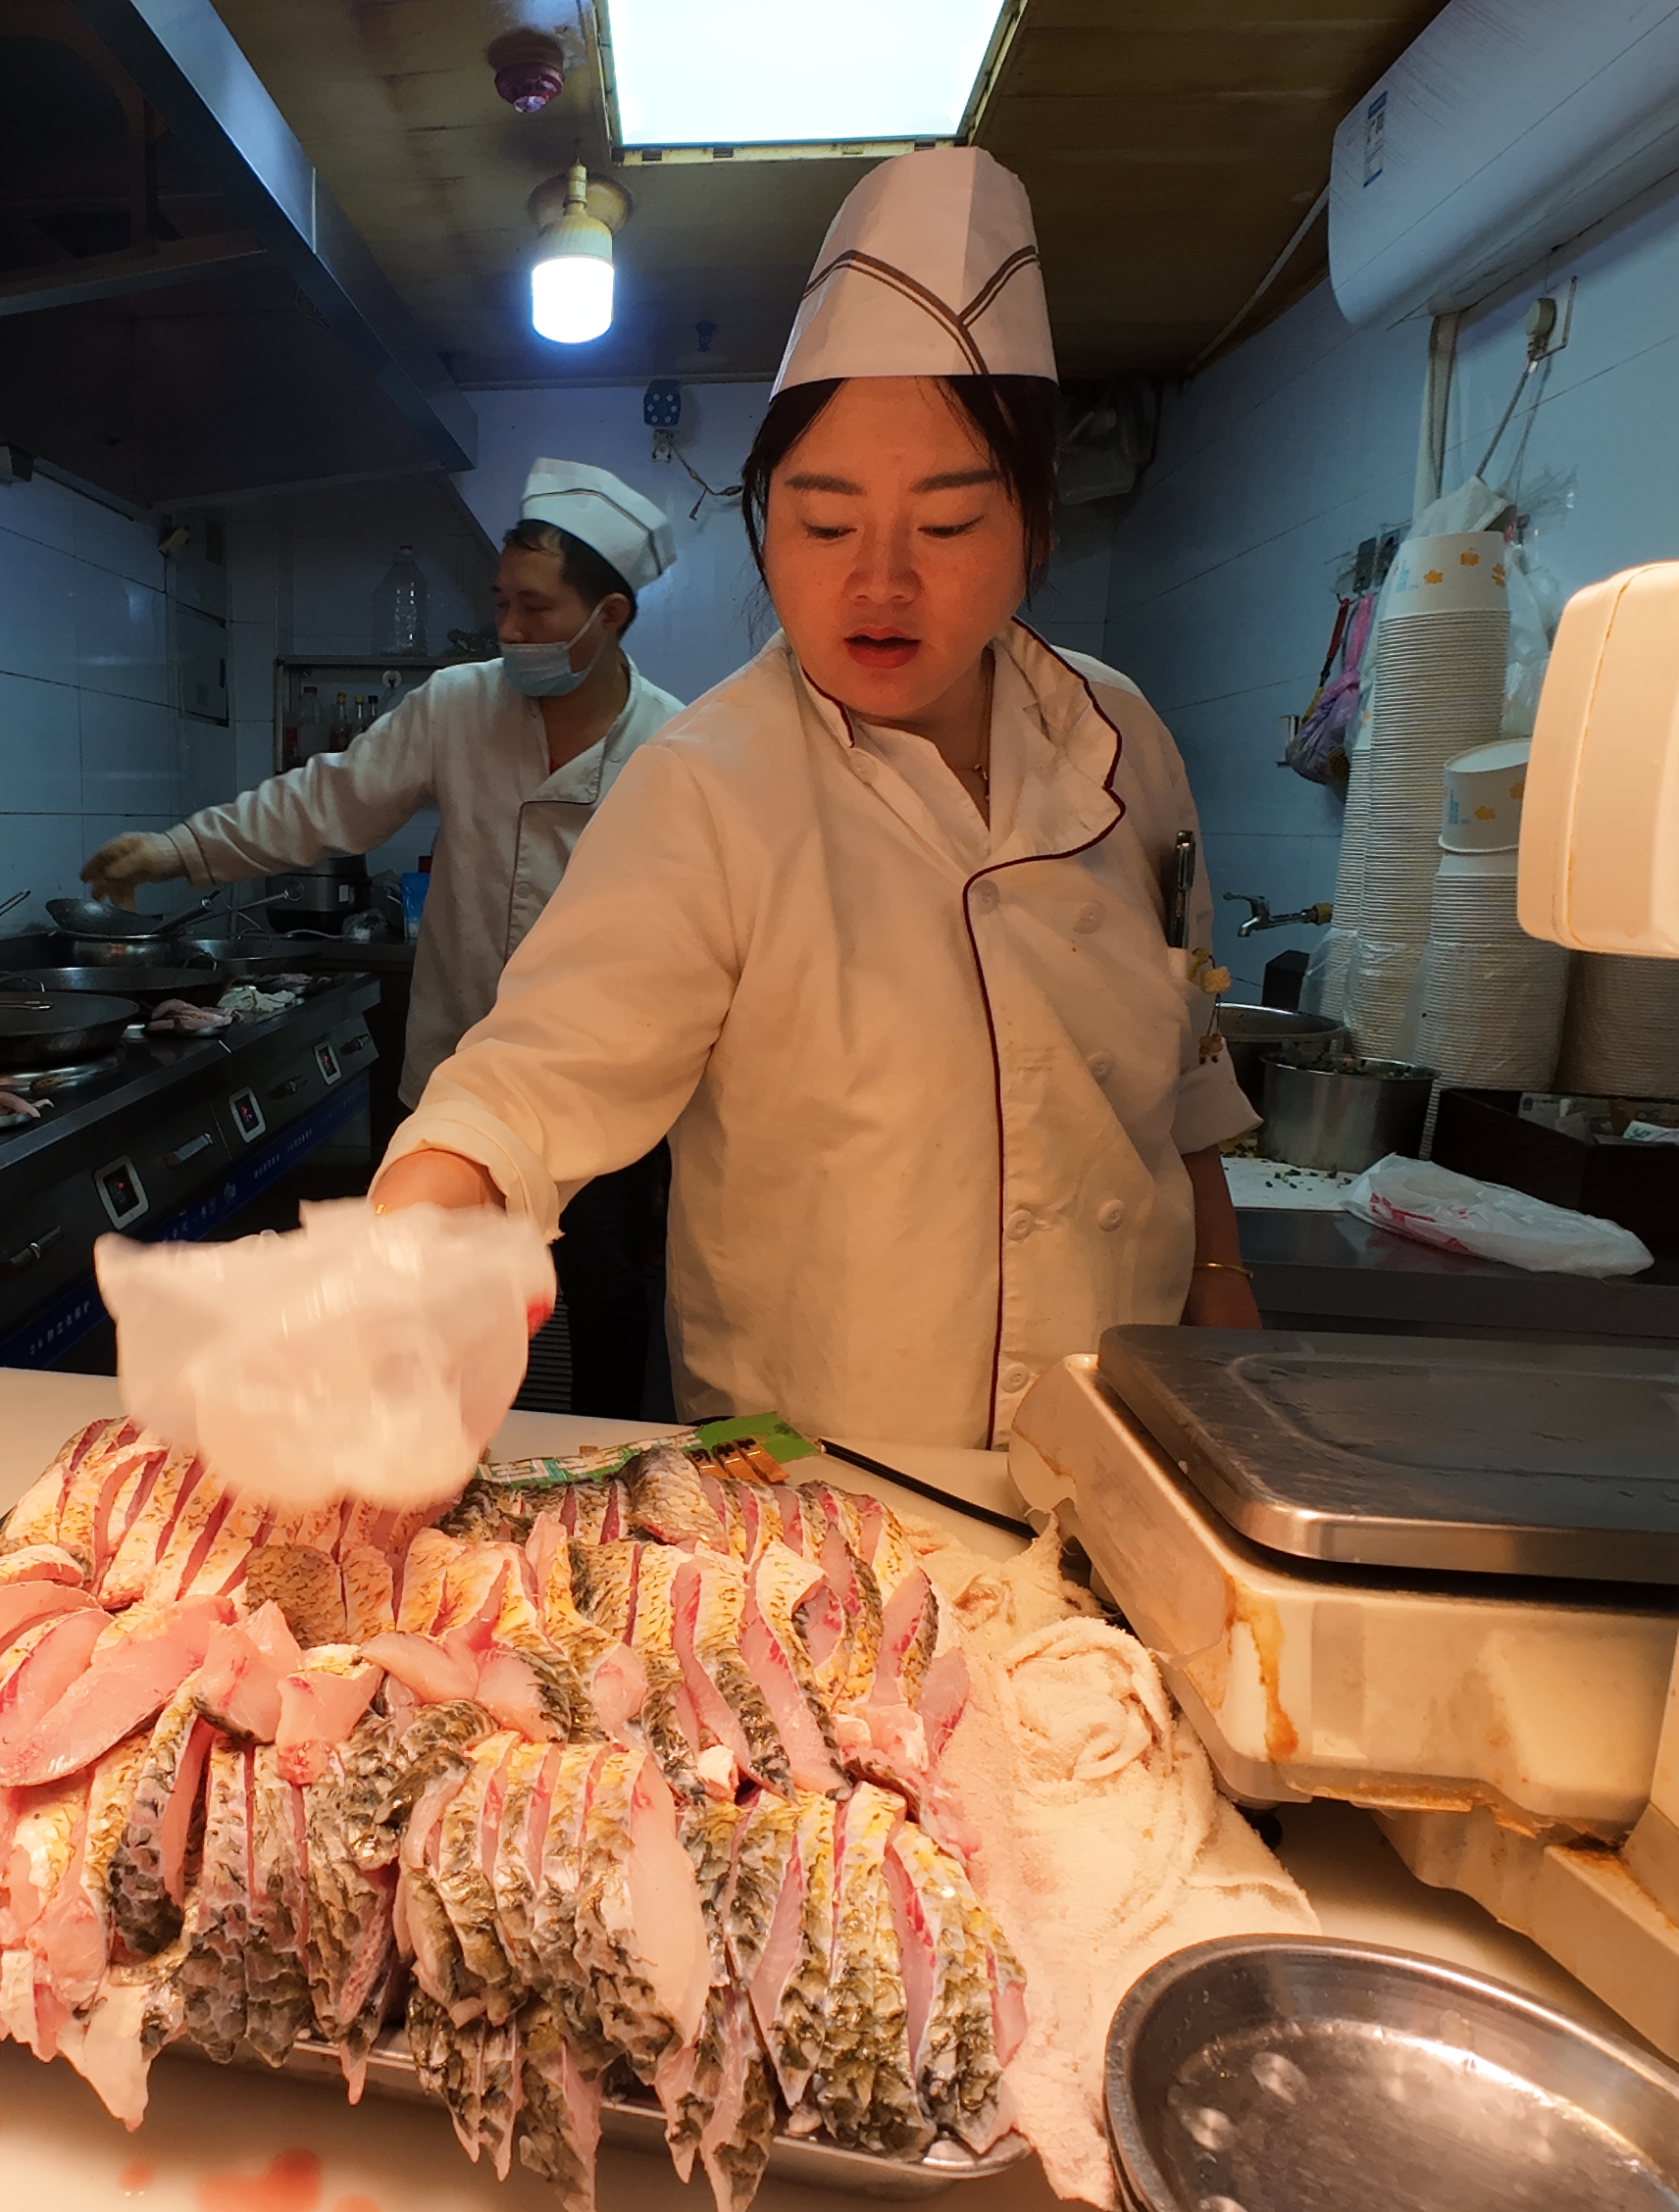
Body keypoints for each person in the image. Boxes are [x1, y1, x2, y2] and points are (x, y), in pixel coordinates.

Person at [370, 147, 1258, 1451]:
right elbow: (539, 1069)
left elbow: (1184, 1065)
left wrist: (1222, 1281)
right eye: (825, 524)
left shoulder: (1122, 737)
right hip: (799, 1472)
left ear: (1034, 529)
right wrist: (420, 1226)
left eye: (947, 526)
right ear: (764, 522)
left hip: (1116, 1435)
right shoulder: (709, 779)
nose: (880, 582)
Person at [83, 462, 689, 1417]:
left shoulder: (671, 747)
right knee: (420, 1316)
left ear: (608, 615)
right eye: (502, 603)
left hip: (598, 1102)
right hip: (452, 1080)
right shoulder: (458, 705)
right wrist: (183, 849)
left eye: (535, 608)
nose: (510, 629)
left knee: (606, 1305)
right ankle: (421, 1475)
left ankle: (602, 1477)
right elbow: (329, 800)